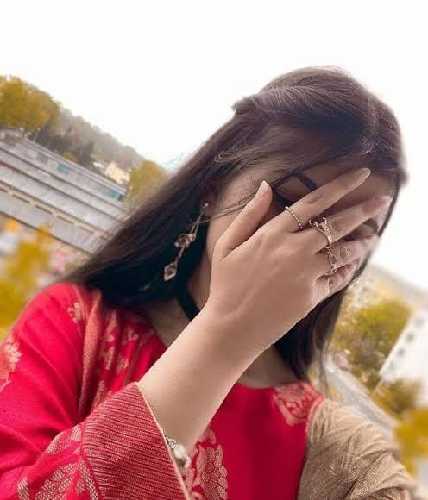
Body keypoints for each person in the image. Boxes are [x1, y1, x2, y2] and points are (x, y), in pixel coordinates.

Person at [0, 67, 419, 499]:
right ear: (213, 187)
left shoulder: (340, 458)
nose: (309, 247)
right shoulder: (76, 323)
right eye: (293, 203)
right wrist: (225, 336)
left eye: (350, 235)